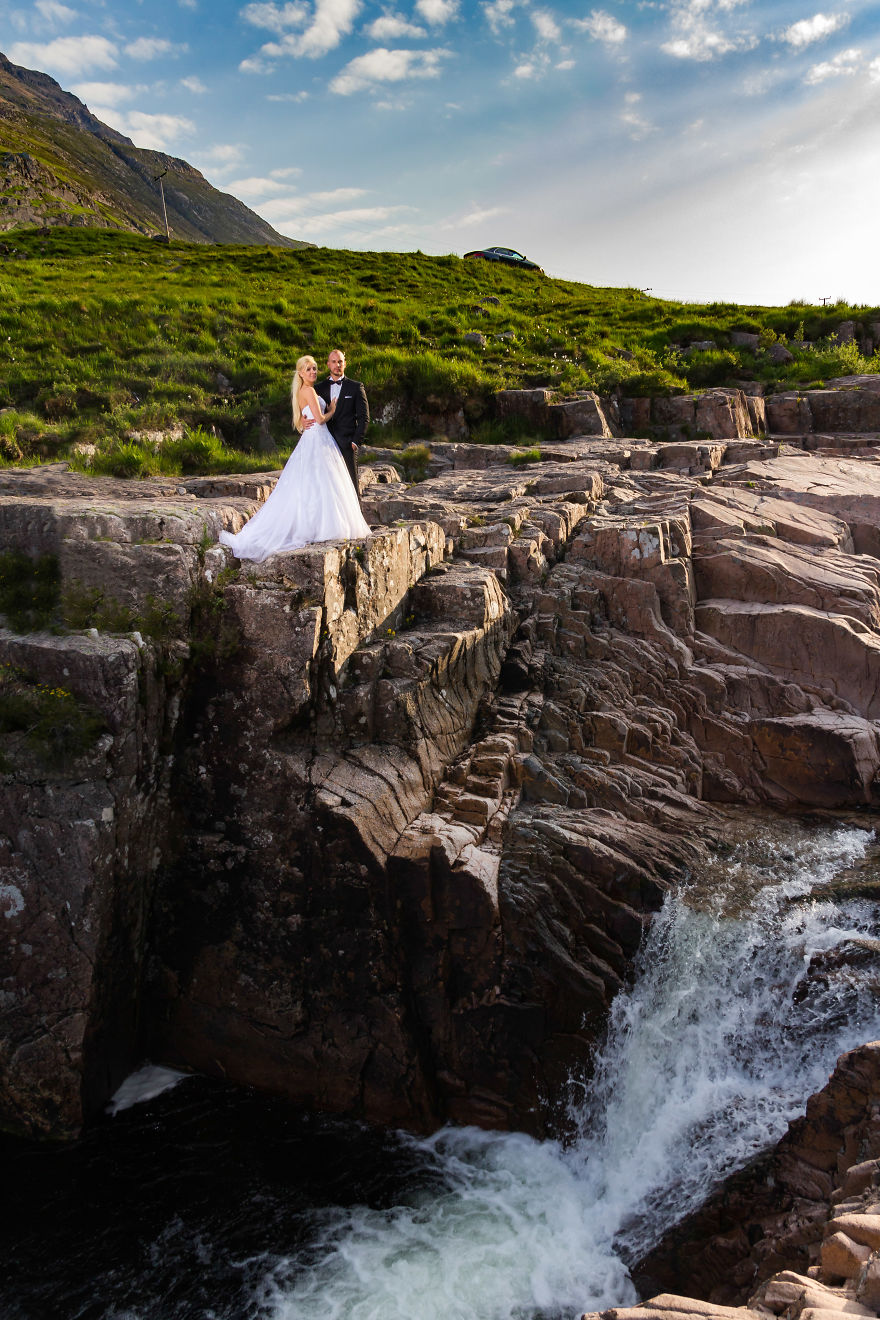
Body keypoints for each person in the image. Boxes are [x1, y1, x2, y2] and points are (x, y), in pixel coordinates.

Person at [218, 355, 371, 563]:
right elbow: (319, 419)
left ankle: (315, 524)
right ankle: (320, 526)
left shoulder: (307, 390)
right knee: (324, 483)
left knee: (314, 484)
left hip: (318, 439)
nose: (313, 372)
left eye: (314, 369)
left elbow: (305, 418)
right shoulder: (308, 390)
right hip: (318, 439)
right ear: (300, 372)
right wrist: (331, 411)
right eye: (308, 369)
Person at [314, 350, 369, 500]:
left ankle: (356, 523)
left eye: (340, 361)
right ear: (328, 364)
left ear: (345, 363)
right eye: (334, 362)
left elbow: (364, 418)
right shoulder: (318, 388)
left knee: (351, 487)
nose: (337, 365)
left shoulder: (356, 387)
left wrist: (355, 442)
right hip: (324, 444)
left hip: (347, 445)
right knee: (325, 487)